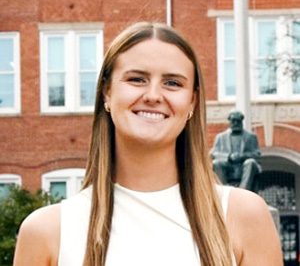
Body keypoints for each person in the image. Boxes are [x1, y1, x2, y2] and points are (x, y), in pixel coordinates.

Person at [13, 22, 283, 266]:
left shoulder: (243, 217)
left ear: (192, 101)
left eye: (172, 83)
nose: (153, 95)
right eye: (136, 79)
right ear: (107, 92)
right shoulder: (47, 232)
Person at [211, 110, 261, 190]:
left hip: (243, 166)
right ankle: (224, 190)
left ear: (241, 121)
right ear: (229, 122)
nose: (236, 123)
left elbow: (257, 154)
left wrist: (242, 156)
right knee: (216, 163)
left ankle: (243, 190)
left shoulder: (251, 137)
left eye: (238, 121)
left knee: (251, 162)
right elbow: (214, 153)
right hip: (228, 166)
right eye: (233, 121)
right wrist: (229, 157)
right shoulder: (221, 137)